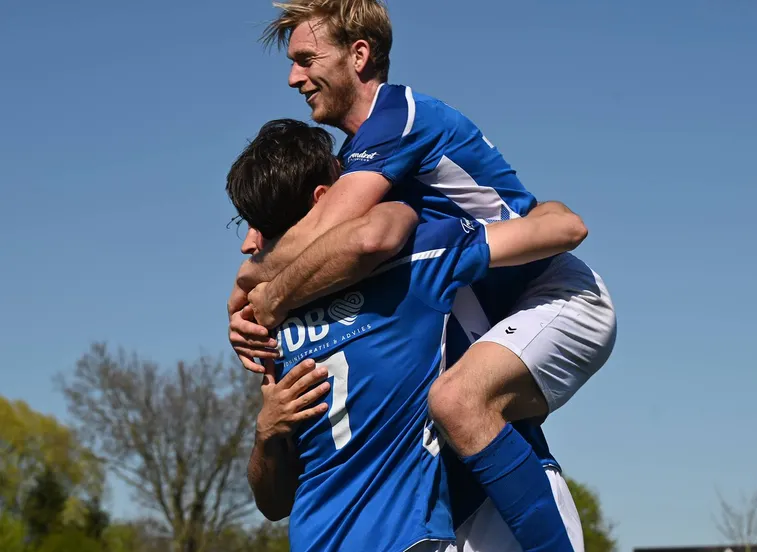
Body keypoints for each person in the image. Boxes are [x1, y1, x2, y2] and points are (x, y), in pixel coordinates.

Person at [228, 2, 617, 550]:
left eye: (305, 58)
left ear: (359, 54)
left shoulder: (399, 117)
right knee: (456, 411)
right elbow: (335, 234)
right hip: (487, 311)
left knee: (456, 401)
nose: (293, 77)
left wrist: (253, 289)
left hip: (554, 292)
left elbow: (349, 231)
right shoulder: (360, 159)